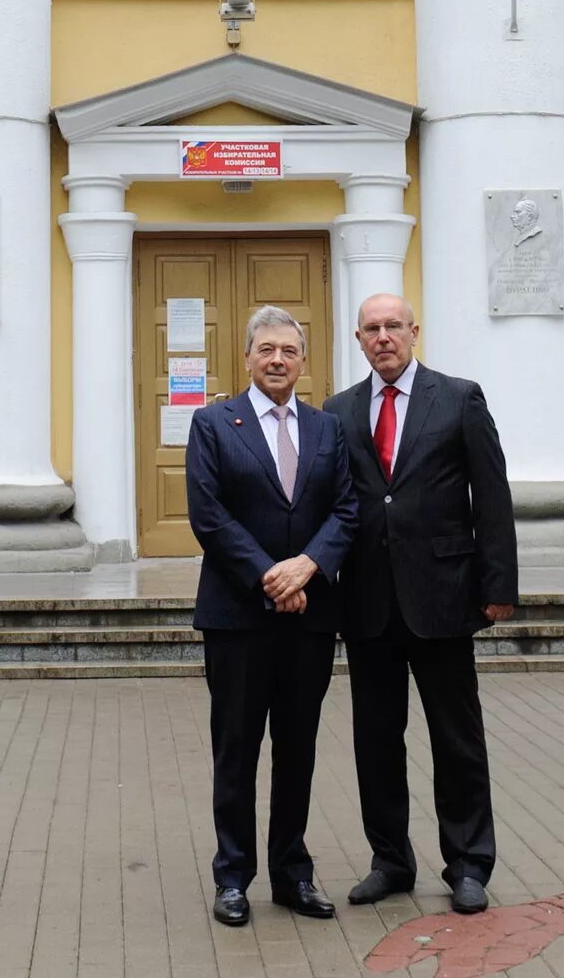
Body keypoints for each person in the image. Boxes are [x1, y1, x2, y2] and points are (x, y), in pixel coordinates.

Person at [324, 292, 518, 917]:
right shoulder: (338, 411)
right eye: (371, 329)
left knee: (455, 738)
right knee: (376, 739)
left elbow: (491, 496)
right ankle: (390, 860)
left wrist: (498, 586)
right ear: (358, 340)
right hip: (367, 603)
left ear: (414, 331)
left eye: (393, 327)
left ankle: (467, 863)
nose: (383, 337)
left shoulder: (459, 398)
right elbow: (339, 506)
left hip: (442, 597)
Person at [182, 305, 359, 930]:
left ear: (303, 360)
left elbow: (346, 510)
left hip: (308, 618)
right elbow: (209, 516)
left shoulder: (326, 429)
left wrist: (306, 566)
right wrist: (269, 574)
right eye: (266, 350)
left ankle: (292, 872)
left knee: (298, 749)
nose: (278, 359)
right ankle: (233, 877)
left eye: (289, 349)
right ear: (248, 357)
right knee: (236, 750)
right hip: (238, 618)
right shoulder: (212, 424)